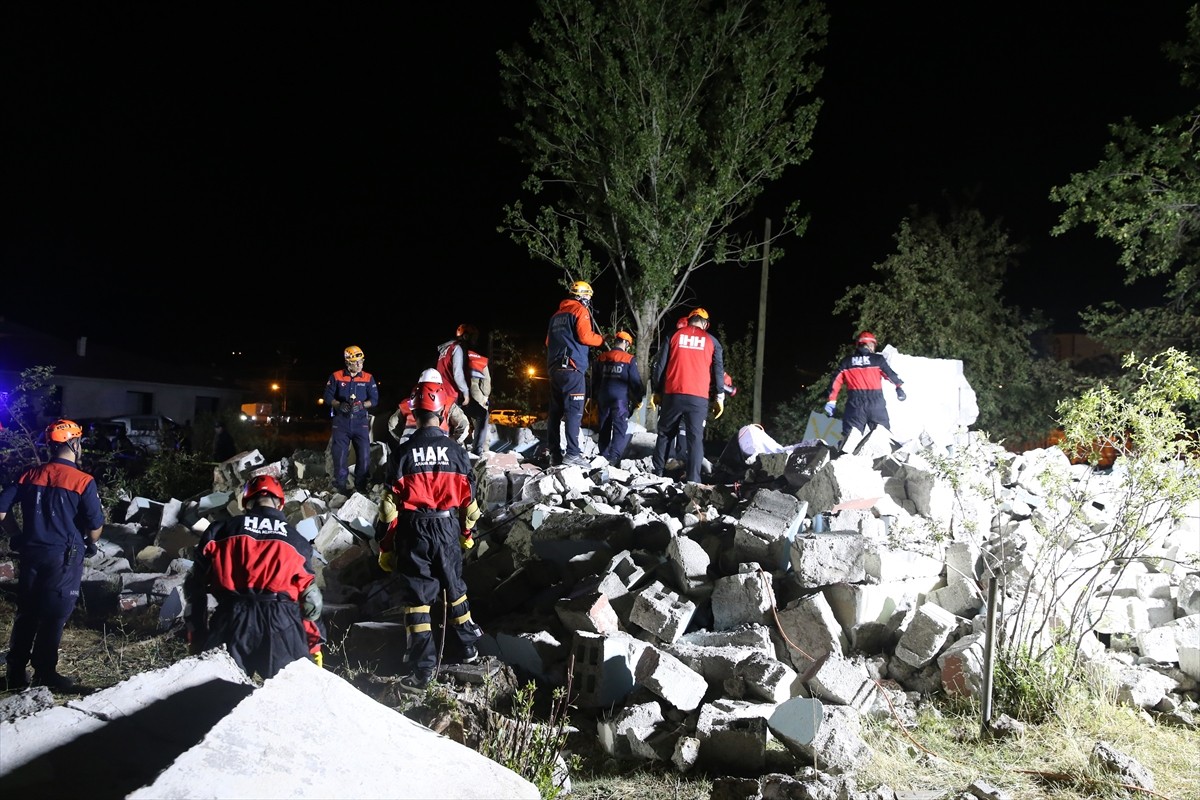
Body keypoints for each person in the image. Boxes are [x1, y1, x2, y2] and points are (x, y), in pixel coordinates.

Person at [376, 380, 484, 693]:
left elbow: (388, 509)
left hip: (413, 531)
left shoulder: (402, 453)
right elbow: (470, 505)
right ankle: (468, 648)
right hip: (447, 527)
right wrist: (465, 534)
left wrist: (386, 547)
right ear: (442, 413)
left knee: (418, 600)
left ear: (414, 413)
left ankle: (422, 670)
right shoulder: (457, 452)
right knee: (455, 588)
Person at [184, 473, 324, 680]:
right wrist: (314, 645)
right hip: (281, 623)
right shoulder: (297, 541)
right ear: (280, 504)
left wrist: (196, 637)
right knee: (293, 693)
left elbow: (194, 587)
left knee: (218, 693)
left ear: (246, 503)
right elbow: (310, 600)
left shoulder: (220, 531)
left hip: (231, 619)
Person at [1, 420, 105, 692]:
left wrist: (16, 535)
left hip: (31, 554)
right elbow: (95, 526)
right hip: (64, 558)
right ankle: (44, 673)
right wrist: (90, 543)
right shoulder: (83, 481)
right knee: (54, 615)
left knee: (27, 613)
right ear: (73, 443)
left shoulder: (30, 474)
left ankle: (15, 672)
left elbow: (1, 509)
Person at [651, 307, 725, 483]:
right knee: (695, 439)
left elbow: (660, 366)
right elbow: (718, 371)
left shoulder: (673, 336)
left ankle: (657, 474)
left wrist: (657, 390)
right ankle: (693, 480)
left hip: (673, 393)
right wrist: (719, 397)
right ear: (705, 324)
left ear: (689, 319)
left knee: (665, 434)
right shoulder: (712, 341)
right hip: (698, 397)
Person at [545, 280, 605, 467]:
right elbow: (586, 337)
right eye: (588, 297)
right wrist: (602, 340)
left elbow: (548, 342)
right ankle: (572, 454)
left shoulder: (555, 316)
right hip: (572, 368)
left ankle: (554, 454)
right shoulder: (580, 310)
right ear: (583, 296)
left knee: (555, 413)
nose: (588, 301)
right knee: (574, 412)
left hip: (555, 369)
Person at [823, 330, 906, 449]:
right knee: (884, 440)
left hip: (854, 405)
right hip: (876, 404)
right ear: (871, 345)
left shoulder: (847, 362)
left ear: (858, 344)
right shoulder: (878, 360)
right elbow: (890, 375)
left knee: (849, 442)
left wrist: (832, 401)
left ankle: (844, 458)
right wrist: (899, 387)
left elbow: (835, 382)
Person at [323, 345, 380, 494]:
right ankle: (341, 488)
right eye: (356, 362)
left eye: (361, 361)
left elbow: (374, 400)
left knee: (364, 456)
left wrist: (362, 405)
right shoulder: (336, 376)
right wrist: (338, 405)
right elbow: (327, 397)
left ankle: (360, 487)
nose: (360, 364)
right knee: (340, 456)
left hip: (360, 423)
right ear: (348, 363)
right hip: (341, 423)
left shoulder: (368, 378)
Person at [593, 330, 644, 464]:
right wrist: (639, 398)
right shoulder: (629, 359)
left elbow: (595, 380)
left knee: (604, 426)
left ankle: (603, 455)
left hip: (603, 398)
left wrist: (593, 396)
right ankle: (614, 458)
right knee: (620, 428)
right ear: (626, 343)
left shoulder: (601, 357)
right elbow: (635, 382)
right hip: (619, 400)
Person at [386, 369, 468, 446]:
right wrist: (452, 442)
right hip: (440, 447)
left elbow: (392, 424)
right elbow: (464, 425)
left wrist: (402, 439)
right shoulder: (448, 403)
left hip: (410, 447)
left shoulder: (407, 404)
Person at [466, 345, 492, 456]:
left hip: (464, 393)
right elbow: (486, 381)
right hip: (478, 394)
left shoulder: (464, 358)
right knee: (481, 423)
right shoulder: (481, 361)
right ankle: (482, 450)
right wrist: (485, 396)